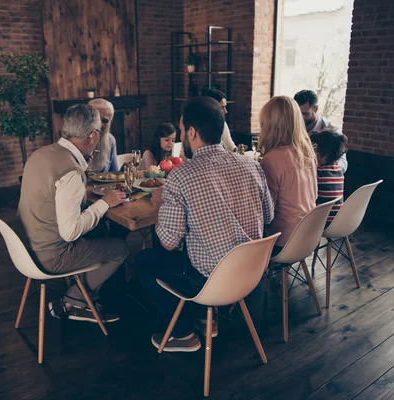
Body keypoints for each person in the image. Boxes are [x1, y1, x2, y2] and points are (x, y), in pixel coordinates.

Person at [136, 97, 274, 352]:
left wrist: (162, 202)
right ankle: (207, 319)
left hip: (210, 282)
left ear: (192, 132)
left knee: (144, 262)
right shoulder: (252, 165)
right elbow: (268, 216)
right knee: (199, 249)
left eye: (181, 130)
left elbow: (168, 242)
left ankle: (183, 334)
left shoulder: (182, 176)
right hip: (253, 274)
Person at [17, 104, 129, 323]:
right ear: (93, 136)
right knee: (120, 248)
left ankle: (86, 292)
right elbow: (71, 232)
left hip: (26, 245)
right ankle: (74, 301)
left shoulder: (41, 154)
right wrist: (105, 203)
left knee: (98, 234)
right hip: (51, 256)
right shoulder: (70, 171)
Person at [259, 96, 318, 249]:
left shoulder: (271, 159)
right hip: (309, 235)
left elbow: (266, 214)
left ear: (269, 124)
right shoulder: (307, 151)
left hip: (283, 241)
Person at [293, 89, 348, 173]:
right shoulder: (291, 128)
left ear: (316, 109)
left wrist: (324, 166)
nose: (300, 118)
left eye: (304, 113)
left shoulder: (332, 131)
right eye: (297, 113)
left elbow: (343, 164)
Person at [311, 130, 347, 226]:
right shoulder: (338, 170)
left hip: (321, 223)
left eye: (315, 150)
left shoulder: (318, 173)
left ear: (324, 155)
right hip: (338, 220)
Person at [87, 99, 119, 173]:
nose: (100, 124)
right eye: (97, 120)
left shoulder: (111, 140)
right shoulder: (77, 140)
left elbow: (114, 173)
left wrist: (123, 170)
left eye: (105, 121)